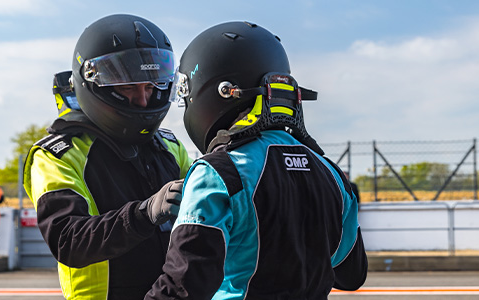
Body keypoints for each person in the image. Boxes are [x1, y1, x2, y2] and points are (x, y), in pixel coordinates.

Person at [146, 21, 367, 299]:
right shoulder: (331, 174)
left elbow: (184, 285)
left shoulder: (217, 173)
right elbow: (351, 274)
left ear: (217, 91)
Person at [22, 14, 192, 299]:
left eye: (150, 87)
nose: (142, 100)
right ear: (93, 84)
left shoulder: (170, 147)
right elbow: (68, 240)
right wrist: (144, 214)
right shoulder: (59, 155)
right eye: (129, 86)